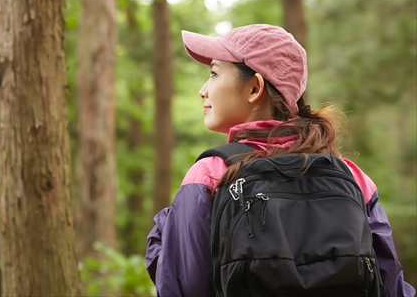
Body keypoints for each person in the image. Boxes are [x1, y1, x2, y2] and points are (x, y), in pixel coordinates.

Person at [145, 24, 415, 297]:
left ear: (254, 88)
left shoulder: (211, 174)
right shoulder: (353, 177)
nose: (203, 90)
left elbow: (181, 287)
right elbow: (390, 284)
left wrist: (163, 236)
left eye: (214, 73)